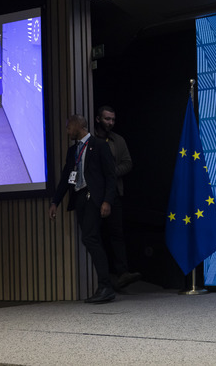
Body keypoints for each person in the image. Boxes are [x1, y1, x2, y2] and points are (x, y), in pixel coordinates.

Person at [49, 115, 117, 303]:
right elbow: (65, 179)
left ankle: (106, 286)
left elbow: (111, 177)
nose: (67, 131)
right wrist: (55, 202)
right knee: (90, 239)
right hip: (79, 199)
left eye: (68, 127)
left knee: (90, 238)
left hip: (94, 199)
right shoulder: (73, 151)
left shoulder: (99, 145)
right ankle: (104, 286)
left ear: (78, 126)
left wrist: (107, 201)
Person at [94, 105, 141, 289]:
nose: (110, 123)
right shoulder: (91, 139)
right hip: (95, 194)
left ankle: (122, 273)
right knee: (96, 235)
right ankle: (99, 278)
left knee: (117, 234)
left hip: (114, 193)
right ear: (98, 119)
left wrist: (111, 172)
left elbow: (128, 163)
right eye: (107, 119)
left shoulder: (118, 140)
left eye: (113, 119)